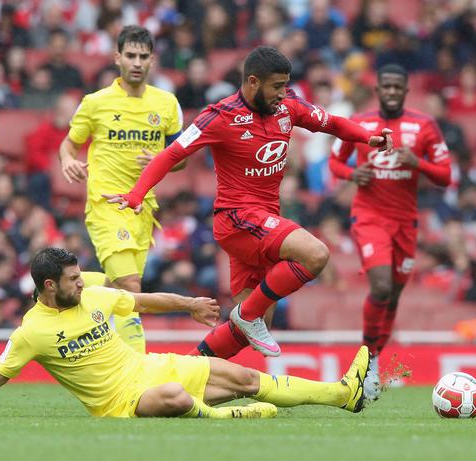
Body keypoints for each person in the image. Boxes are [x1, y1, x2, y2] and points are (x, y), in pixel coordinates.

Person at [104, 46, 392, 359]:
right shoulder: (219, 116)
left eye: (285, 85)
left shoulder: (288, 107)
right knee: (316, 254)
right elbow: (173, 154)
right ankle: (248, 314)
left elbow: (332, 124)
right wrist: (136, 194)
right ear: (253, 82)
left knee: (246, 331)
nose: (283, 93)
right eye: (276, 86)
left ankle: (186, 371)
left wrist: (368, 136)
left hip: (262, 224)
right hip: (237, 218)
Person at [0, 248, 369, 418]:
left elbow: (143, 301)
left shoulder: (90, 294)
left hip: (149, 366)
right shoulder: (32, 332)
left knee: (244, 378)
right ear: (48, 287)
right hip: (120, 404)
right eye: (72, 279)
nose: (81, 281)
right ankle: (224, 417)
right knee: (172, 397)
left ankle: (341, 394)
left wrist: (189, 304)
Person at [59, 26, 185, 354]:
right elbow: (68, 146)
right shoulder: (95, 103)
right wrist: (67, 161)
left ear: (153, 60)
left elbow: (181, 159)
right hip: (106, 206)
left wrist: (162, 161)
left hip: (143, 210)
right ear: (117, 58)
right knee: (131, 288)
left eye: (143, 56)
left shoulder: (167, 104)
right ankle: (139, 369)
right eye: (130, 55)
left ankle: (68, 281)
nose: (137, 62)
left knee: (118, 288)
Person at [329, 64, 451, 400]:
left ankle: (375, 358)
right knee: (380, 286)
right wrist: (353, 174)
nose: (393, 92)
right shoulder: (360, 123)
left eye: (399, 87)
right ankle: (366, 361)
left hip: (405, 222)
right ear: (378, 90)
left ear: (406, 90)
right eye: (387, 86)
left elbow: (445, 175)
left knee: (393, 296)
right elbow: (335, 162)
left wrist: (418, 163)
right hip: (368, 217)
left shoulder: (424, 126)